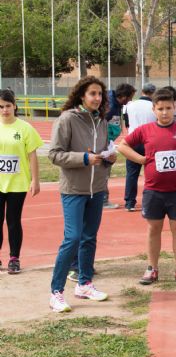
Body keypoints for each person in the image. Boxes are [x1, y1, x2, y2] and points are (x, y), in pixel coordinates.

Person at [117, 88, 176, 286]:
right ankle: (152, 268)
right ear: (154, 109)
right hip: (154, 190)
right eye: (160, 109)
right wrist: (142, 159)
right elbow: (123, 146)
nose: (164, 112)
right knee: (154, 229)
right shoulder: (145, 130)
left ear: (174, 107)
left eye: (168, 108)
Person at [48, 76, 117, 313]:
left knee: (89, 237)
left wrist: (108, 158)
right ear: (81, 96)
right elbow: (55, 154)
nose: (97, 98)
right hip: (74, 189)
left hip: (96, 189)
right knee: (73, 237)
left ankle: (85, 283)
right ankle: (56, 292)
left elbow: (101, 153)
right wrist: (84, 158)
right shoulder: (68, 119)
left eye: (100, 94)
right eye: (92, 94)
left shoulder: (102, 121)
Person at [0, 89, 43, 274]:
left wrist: (35, 180)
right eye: (1, 107)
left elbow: (32, 155)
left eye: (8, 106)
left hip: (18, 183)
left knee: (13, 220)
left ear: (15, 106)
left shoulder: (25, 128)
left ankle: (14, 258)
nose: (4, 110)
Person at [122, 83, 157, 212]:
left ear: (142, 91)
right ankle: (151, 201)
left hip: (133, 141)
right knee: (152, 173)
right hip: (150, 141)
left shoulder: (130, 105)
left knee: (132, 173)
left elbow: (127, 123)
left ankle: (129, 202)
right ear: (153, 93)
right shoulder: (154, 107)